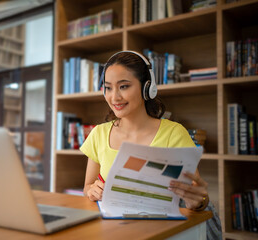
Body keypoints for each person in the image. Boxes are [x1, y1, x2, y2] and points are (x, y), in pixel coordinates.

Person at [80, 50, 209, 210]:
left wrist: (197, 200)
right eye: (108, 88)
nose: (114, 97)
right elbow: (87, 187)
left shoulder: (174, 133)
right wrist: (92, 191)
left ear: (147, 87)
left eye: (124, 86)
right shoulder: (98, 134)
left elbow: (197, 196)